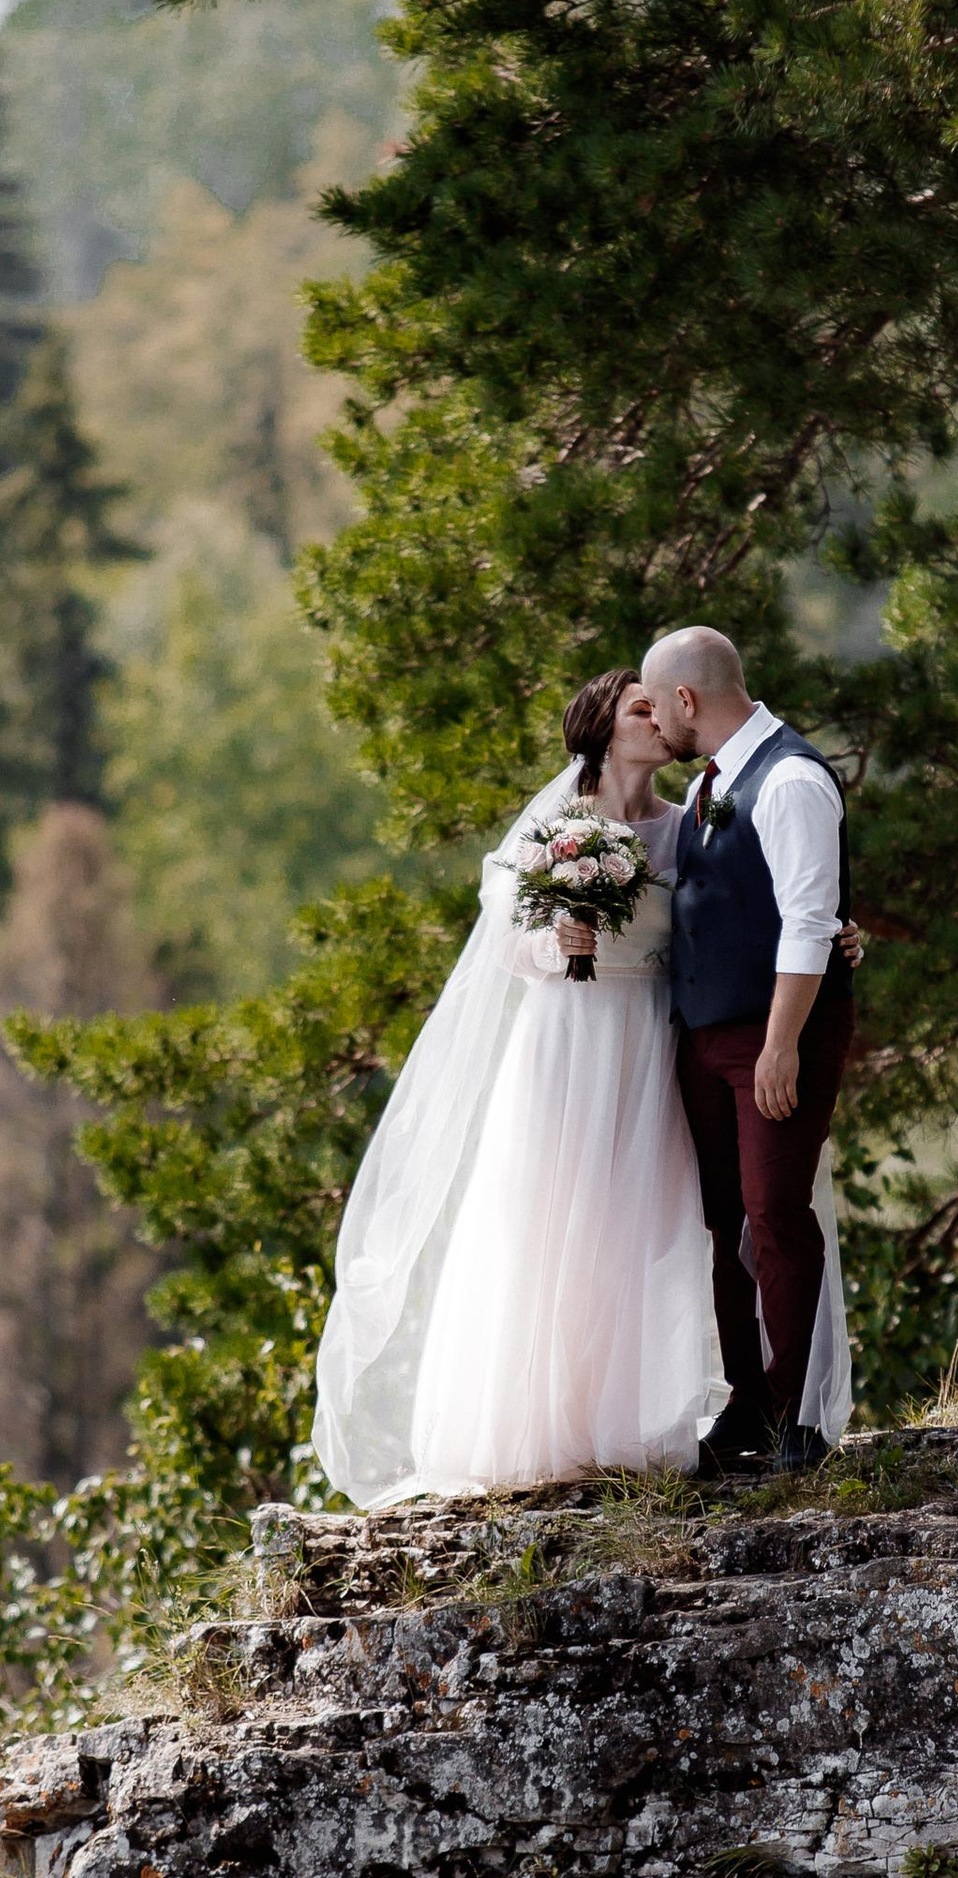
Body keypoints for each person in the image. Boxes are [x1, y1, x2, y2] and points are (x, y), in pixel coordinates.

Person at [310, 667, 854, 1502]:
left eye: (658, 705)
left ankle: (624, 1423)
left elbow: (746, 902)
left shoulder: (688, 820)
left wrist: (837, 935)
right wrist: (554, 942)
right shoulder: (557, 825)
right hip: (568, 1040)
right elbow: (503, 937)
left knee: (645, 1224)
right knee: (552, 1220)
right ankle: (539, 1420)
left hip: (656, 1041)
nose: (657, 720)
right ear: (603, 728)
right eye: (640, 709)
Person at [639, 624, 854, 1477]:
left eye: (658, 707)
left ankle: (802, 1414)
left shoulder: (791, 778)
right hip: (706, 1038)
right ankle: (749, 1404)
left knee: (776, 1214)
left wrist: (781, 1044)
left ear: (686, 699)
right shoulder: (709, 783)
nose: (656, 723)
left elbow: (809, 920)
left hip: (774, 1039)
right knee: (723, 1220)